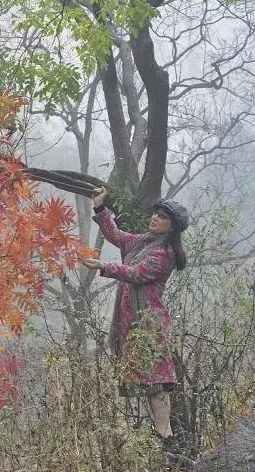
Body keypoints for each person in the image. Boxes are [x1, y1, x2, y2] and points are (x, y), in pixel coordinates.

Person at [82, 188, 189, 439]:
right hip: (131, 321)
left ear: (172, 227)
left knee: (157, 382)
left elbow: (136, 273)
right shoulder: (143, 241)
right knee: (146, 380)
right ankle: (159, 437)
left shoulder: (165, 253)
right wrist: (100, 208)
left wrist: (104, 266)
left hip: (149, 323)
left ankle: (168, 437)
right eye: (156, 213)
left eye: (162, 217)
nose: (154, 218)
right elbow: (116, 235)